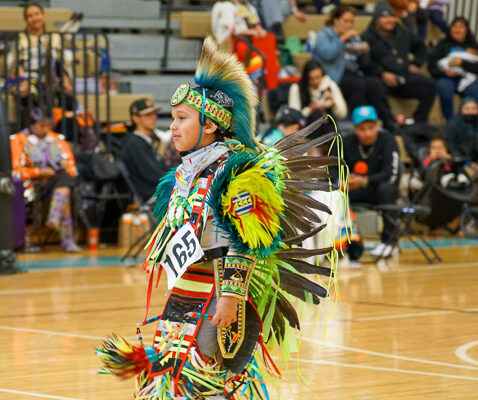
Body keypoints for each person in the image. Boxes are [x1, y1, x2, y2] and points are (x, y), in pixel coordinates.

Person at [98, 37, 340, 399]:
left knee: (207, 379)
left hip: (218, 292)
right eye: (172, 119)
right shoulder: (184, 175)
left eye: (182, 118)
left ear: (210, 125)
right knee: (173, 375)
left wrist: (231, 296)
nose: (173, 127)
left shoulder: (236, 173)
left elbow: (248, 240)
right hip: (184, 292)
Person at [312, 6, 396, 130]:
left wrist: (365, 51)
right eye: (345, 21)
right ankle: (355, 122)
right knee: (358, 84)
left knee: (375, 84)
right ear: (336, 20)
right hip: (332, 75)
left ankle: (386, 121)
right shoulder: (324, 34)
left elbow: (364, 63)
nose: (349, 24)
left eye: (351, 21)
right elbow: (327, 54)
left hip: (354, 73)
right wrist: (342, 39)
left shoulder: (354, 37)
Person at [10, 107, 80, 252]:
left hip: (54, 183)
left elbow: (71, 167)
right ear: (32, 125)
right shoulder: (19, 140)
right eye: (42, 125)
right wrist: (38, 172)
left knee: (65, 179)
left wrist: (60, 166)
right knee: (64, 192)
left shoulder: (56, 139)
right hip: (31, 187)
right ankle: (67, 239)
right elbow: (16, 171)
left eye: (48, 125)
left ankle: (55, 216)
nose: (46, 129)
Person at [362, 0, 436, 123]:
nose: (390, 20)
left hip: (404, 76)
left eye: (391, 16)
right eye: (385, 17)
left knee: (430, 85)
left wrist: (416, 63)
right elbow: (365, 63)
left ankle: (419, 122)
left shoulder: (403, 32)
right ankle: (390, 124)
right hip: (382, 80)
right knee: (373, 86)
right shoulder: (367, 37)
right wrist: (382, 73)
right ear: (376, 19)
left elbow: (421, 48)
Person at [341, 106, 400, 258]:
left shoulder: (388, 140)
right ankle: (343, 243)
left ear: (378, 126)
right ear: (354, 128)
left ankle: (389, 242)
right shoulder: (345, 142)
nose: (367, 133)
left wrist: (365, 181)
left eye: (371, 128)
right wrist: (341, 181)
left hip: (377, 190)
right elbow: (333, 167)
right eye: (362, 129)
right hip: (353, 189)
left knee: (387, 188)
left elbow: (391, 173)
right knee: (332, 193)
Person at [6, 3, 74, 124]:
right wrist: (22, 81)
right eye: (30, 16)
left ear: (43, 15)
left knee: (68, 97)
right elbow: (15, 64)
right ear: (26, 20)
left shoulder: (55, 38)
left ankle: (62, 135)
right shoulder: (21, 39)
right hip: (30, 80)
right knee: (29, 96)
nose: (35, 18)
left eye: (37, 14)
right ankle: (33, 133)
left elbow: (62, 63)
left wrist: (66, 81)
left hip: (53, 79)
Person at [118, 98, 169, 202]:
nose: (154, 117)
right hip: (152, 197)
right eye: (148, 115)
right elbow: (153, 175)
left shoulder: (143, 141)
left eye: (154, 114)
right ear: (136, 118)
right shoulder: (134, 144)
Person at [428, 17, 478, 121]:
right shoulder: (442, 44)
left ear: (467, 30)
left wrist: (462, 63)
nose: (457, 29)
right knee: (444, 87)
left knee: (474, 91)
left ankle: (472, 123)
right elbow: (432, 65)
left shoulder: (473, 46)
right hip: (446, 77)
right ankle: (450, 121)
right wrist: (445, 73)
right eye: (454, 26)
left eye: (461, 26)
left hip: (468, 78)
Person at [444, 97, 478, 175]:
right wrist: (468, 163)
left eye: (474, 109)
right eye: (467, 108)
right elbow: (450, 147)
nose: (470, 112)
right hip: (458, 162)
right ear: (461, 109)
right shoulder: (453, 125)